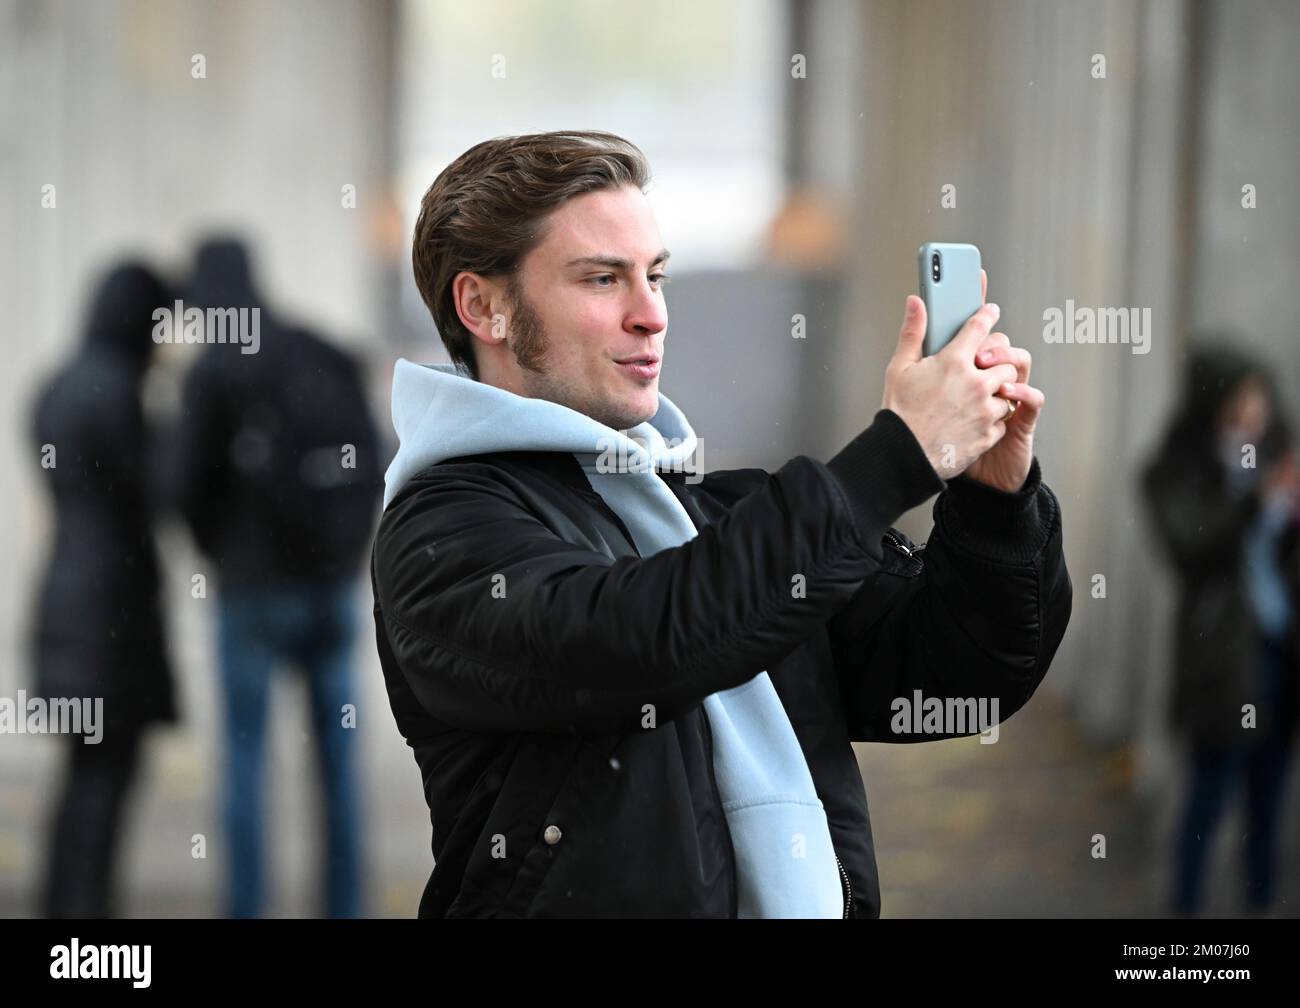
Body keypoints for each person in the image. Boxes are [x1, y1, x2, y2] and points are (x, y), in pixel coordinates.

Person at [371, 130, 1073, 918]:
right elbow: (641, 640)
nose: (652, 315)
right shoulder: (442, 531)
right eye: (604, 279)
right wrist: (895, 458)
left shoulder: (712, 512)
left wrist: (993, 496)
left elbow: (965, 672)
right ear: (484, 306)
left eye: (656, 276)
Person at [169, 238, 383, 917]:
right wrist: (346, 556)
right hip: (331, 592)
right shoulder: (325, 352)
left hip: (250, 597)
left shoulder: (211, 373)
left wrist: (220, 552)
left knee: (244, 769)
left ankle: (247, 909)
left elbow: (181, 487)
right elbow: (374, 464)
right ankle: (343, 908)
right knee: (340, 772)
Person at [29, 261, 179, 917]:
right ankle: (86, 933)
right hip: (111, 613)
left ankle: (62, 910)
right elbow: (155, 489)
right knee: (106, 781)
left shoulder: (55, 385)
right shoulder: (119, 390)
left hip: (63, 597)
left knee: (78, 777)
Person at [1141, 347, 1300, 916]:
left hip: (1280, 649)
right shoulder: (1177, 469)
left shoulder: (1278, 455)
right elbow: (1192, 546)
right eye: (1238, 403)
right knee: (1208, 799)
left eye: (1257, 401)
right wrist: (1255, 503)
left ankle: (1261, 906)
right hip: (1222, 660)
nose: (1251, 416)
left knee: (1270, 798)